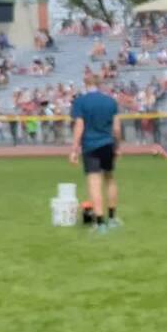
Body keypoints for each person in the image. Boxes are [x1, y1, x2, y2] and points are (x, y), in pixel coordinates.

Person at [69, 74, 121, 232]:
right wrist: (117, 146)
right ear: (100, 84)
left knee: (94, 182)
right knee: (109, 179)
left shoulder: (80, 102)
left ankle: (100, 222)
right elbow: (116, 128)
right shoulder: (111, 101)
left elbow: (79, 126)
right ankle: (112, 218)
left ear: (85, 84)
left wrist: (74, 149)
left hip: (90, 145)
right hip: (107, 144)